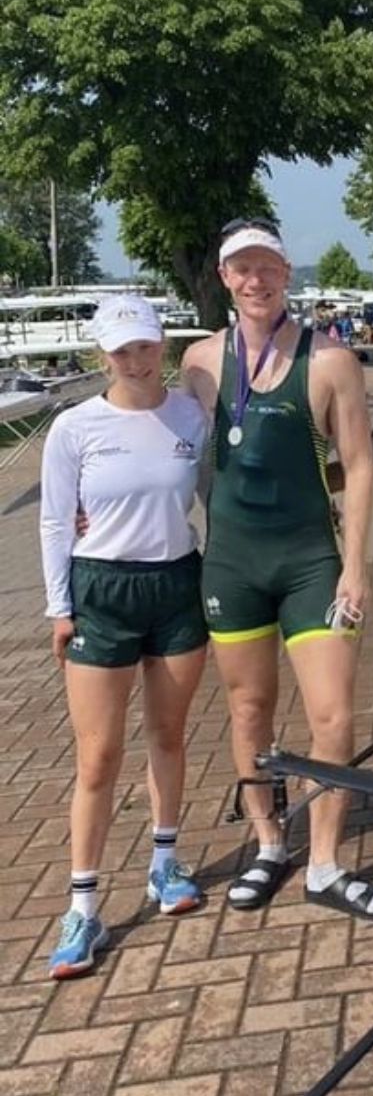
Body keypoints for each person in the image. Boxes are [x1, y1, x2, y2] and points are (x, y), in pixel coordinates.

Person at [182, 218, 373, 920]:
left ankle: (325, 862)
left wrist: (356, 565)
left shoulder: (330, 360)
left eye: (267, 267)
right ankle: (270, 843)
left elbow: (358, 466)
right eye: (242, 268)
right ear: (224, 278)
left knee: (333, 714)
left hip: (311, 565)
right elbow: (174, 454)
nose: (256, 280)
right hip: (232, 565)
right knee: (250, 711)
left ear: (285, 272)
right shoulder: (198, 362)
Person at [39, 295, 209, 978]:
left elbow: (221, 490)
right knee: (98, 757)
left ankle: (165, 863)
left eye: (145, 346)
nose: (136, 361)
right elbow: (56, 521)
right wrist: (60, 608)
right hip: (101, 592)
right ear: (102, 354)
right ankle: (82, 906)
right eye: (121, 351)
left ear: (161, 345)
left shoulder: (191, 415)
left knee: (167, 737)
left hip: (176, 586)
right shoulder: (74, 427)